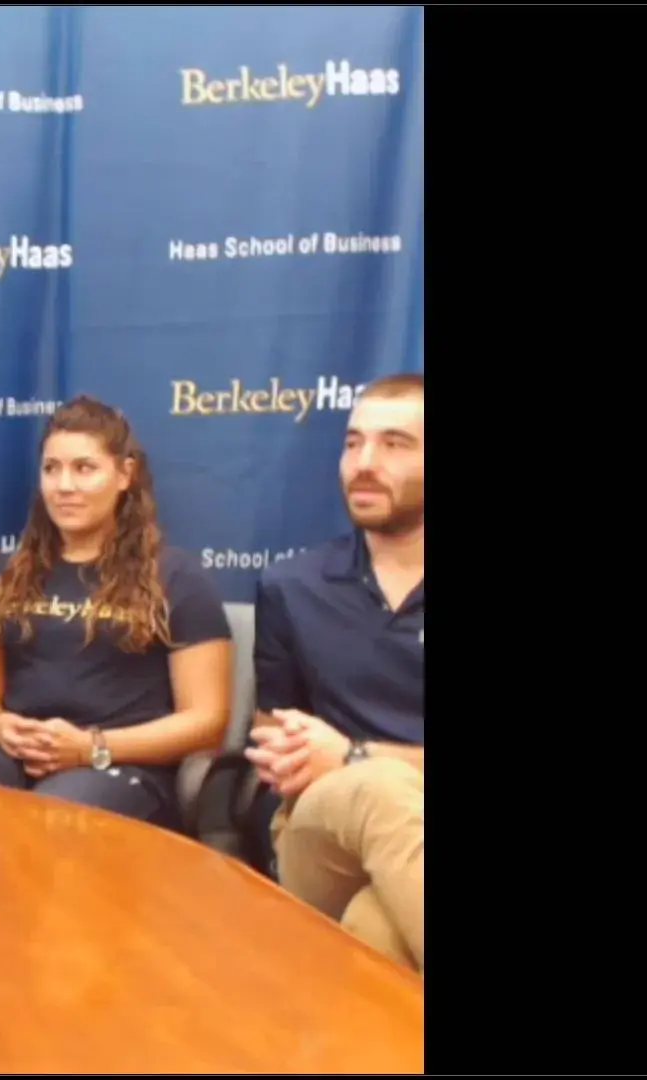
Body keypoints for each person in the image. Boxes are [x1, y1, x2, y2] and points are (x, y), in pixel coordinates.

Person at [0, 396, 232, 830]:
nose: (63, 485)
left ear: (125, 474)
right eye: (51, 469)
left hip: (121, 766)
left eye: (84, 468)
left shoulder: (178, 579)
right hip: (16, 757)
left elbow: (207, 722)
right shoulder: (7, 573)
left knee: (56, 816)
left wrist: (92, 747)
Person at [244, 372, 424, 973]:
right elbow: (274, 738)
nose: (364, 463)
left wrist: (355, 753)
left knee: (377, 928)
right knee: (378, 790)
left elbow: (357, 760)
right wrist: (331, 765)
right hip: (319, 827)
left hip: (395, 838)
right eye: (353, 442)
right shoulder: (293, 585)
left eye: (395, 444)